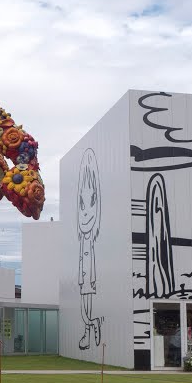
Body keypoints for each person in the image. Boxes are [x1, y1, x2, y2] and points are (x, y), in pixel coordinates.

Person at [77, 148, 102, 349]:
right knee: (85, 299)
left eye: (91, 203)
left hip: (89, 271)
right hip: (84, 272)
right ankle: (89, 326)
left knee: (88, 298)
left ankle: (91, 325)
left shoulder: (92, 239)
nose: (85, 213)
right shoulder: (82, 239)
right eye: (81, 205)